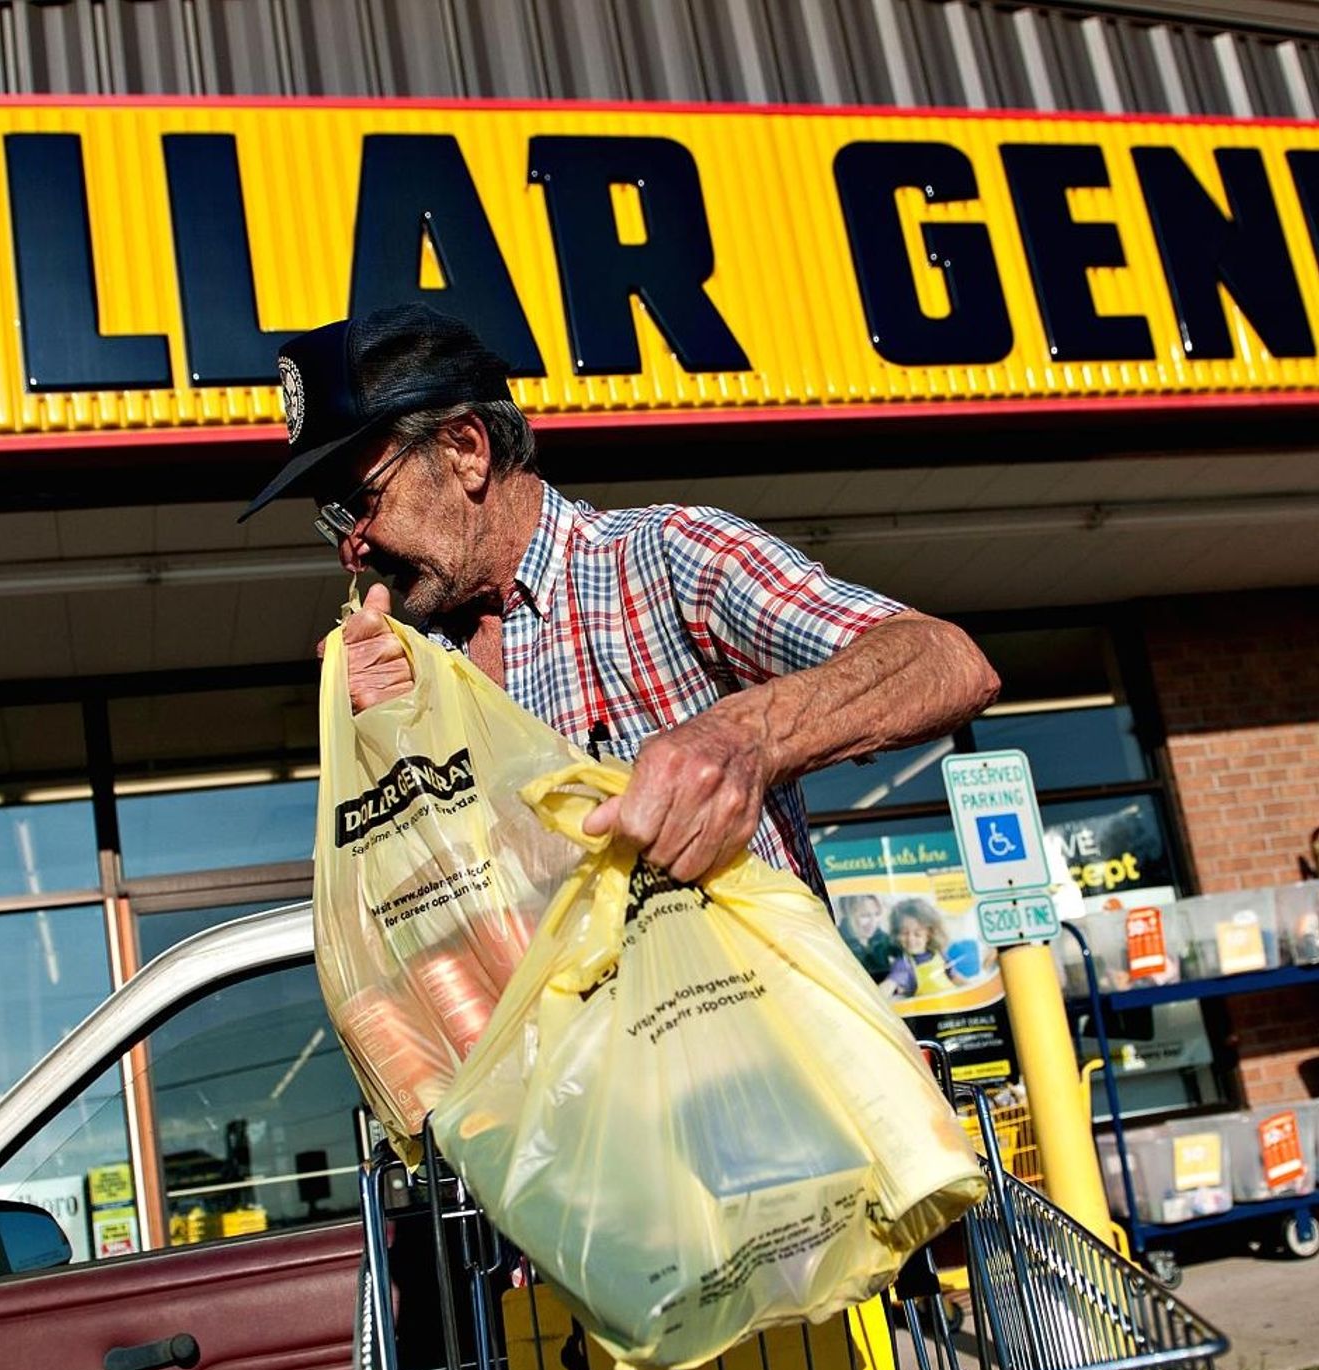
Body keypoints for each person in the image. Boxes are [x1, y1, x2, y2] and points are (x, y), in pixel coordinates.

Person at [240, 304, 1000, 889]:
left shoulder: (665, 557)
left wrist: (750, 737)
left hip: (770, 1081)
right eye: (332, 520)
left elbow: (945, 660)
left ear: (465, 450)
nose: (352, 547)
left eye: (359, 500)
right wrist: (387, 749)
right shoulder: (421, 667)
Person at [880, 898, 969, 1001]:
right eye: (904, 933)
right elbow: (889, 984)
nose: (910, 939)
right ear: (897, 934)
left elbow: (955, 978)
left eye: (917, 934)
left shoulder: (939, 955)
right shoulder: (903, 965)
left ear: (929, 934)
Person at [834, 894, 898, 980]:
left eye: (876, 914)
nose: (873, 923)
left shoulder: (880, 936)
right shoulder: (835, 942)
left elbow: (905, 952)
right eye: (865, 916)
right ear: (847, 914)